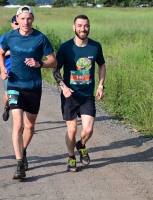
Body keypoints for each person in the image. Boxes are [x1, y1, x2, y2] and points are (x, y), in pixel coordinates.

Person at [0, 5, 57, 179]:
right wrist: (2, 69)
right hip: (14, 84)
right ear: (17, 19)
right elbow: (0, 53)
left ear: (33, 19)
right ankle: (19, 165)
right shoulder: (10, 37)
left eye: (29, 18)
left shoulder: (40, 38)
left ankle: (23, 151)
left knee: (30, 125)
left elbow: (53, 61)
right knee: (18, 125)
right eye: (22, 18)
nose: (26, 21)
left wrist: (40, 64)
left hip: (33, 86)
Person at [52, 14, 106, 172]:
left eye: (86, 26)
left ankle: (81, 144)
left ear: (89, 27)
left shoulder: (95, 46)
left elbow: (102, 65)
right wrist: (63, 86)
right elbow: (56, 69)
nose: (83, 29)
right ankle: (71, 157)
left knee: (88, 130)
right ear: (74, 27)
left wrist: (101, 86)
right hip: (70, 96)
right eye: (80, 25)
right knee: (72, 130)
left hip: (87, 95)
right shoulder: (65, 47)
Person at [0, 15, 19, 121]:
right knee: (8, 97)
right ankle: (6, 107)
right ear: (12, 24)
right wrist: (11, 52)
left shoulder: (27, 38)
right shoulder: (6, 37)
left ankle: (18, 123)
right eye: (16, 23)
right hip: (8, 71)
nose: (18, 26)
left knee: (19, 99)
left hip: (22, 73)